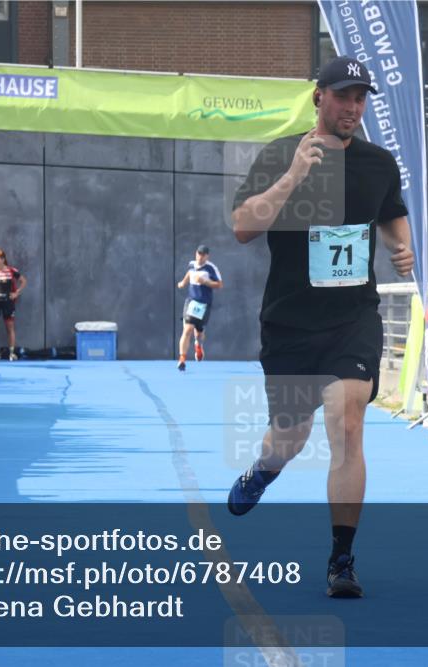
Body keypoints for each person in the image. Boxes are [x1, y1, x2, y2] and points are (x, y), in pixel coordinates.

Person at [227, 56, 415, 598]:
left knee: (347, 419)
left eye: (360, 98)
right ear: (319, 96)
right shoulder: (278, 154)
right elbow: (242, 226)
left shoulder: (378, 163)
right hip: (289, 324)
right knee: (289, 439)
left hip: (352, 318)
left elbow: (391, 213)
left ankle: (341, 559)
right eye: (343, 96)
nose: (352, 107)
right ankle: (264, 470)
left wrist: (401, 247)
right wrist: (293, 175)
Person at [175, 244, 222, 371]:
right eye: (199, 253)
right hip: (191, 302)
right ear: (196, 253)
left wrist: (205, 282)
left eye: (203, 254)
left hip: (204, 304)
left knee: (199, 332)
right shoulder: (192, 265)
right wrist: (183, 282)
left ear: (207, 256)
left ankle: (198, 345)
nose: (200, 256)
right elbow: (189, 274)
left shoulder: (211, 268)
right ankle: (182, 360)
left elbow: (219, 284)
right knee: (187, 329)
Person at [0, 248, 25, 361]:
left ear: (3, 259)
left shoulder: (12, 271)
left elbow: (23, 281)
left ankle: (12, 353)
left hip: (8, 302)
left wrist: (16, 293)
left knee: (10, 327)